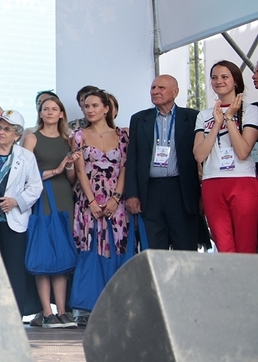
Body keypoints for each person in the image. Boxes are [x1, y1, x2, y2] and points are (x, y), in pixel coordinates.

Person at [0, 109, 42, 316]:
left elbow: (35, 187)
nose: (1, 132)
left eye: (7, 129)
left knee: (14, 270)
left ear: (17, 134)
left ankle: (14, 315)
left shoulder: (26, 157)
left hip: (13, 221)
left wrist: (16, 201)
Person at [22, 96, 81, 328]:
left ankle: (63, 311)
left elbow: (71, 177)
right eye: (45, 109)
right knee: (44, 253)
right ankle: (47, 311)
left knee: (61, 254)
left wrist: (68, 165)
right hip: (42, 197)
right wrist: (55, 170)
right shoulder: (32, 138)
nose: (49, 112)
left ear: (61, 114)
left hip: (64, 197)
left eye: (54, 109)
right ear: (40, 113)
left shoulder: (68, 140)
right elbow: (24, 173)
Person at [124, 75, 200, 251]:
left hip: (181, 190)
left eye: (161, 88)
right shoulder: (139, 119)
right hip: (150, 191)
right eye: (153, 88)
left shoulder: (192, 117)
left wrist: (201, 194)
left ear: (175, 92)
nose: (155, 91)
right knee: (153, 247)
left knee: (185, 247)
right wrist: (132, 194)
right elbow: (132, 158)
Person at [193, 61, 258, 253]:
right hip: (212, 181)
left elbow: (243, 151)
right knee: (223, 245)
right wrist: (216, 124)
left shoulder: (251, 111)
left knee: (246, 244)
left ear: (235, 80)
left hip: (242, 180)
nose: (218, 81)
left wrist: (229, 118)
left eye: (224, 77)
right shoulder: (204, 115)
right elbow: (199, 154)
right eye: (214, 77)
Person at [72, 90, 129, 306]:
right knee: (91, 244)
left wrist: (116, 198)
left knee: (117, 244)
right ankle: (89, 304)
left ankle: (118, 302)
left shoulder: (122, 135)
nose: (90, 110)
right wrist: (92, 201)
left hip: (117, 199)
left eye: (95, 105)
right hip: (89, 198)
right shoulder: (79, 135)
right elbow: (80, 171)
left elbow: (124, 168)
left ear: (106, 108)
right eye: (87, 106)